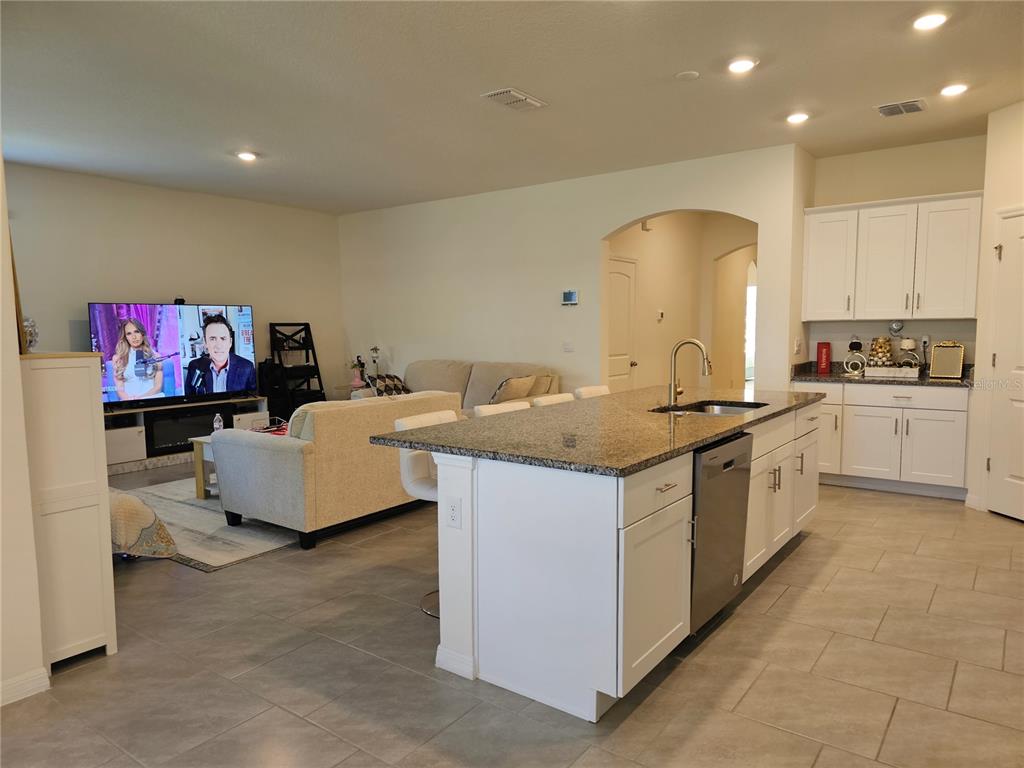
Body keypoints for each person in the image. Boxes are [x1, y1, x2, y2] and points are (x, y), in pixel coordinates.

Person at [184, 313, 257, 396]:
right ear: (205, 342)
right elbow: (189, 400)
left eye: (223, 338)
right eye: (212, 339)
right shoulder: (194, 366)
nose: (218, 345)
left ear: (230, 342)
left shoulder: (247, 367)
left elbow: (253, 402)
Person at [111, 318, 164, 400]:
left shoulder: (156, 357)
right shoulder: (118, 358)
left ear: (142, 334)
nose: (134, 337)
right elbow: (120, 389)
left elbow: (158, 387)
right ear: (125, 338)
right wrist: (130, 400)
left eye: (136, 331)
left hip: (151, 399)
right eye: (129, 333)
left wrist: (141, 398)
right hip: (129, 402)